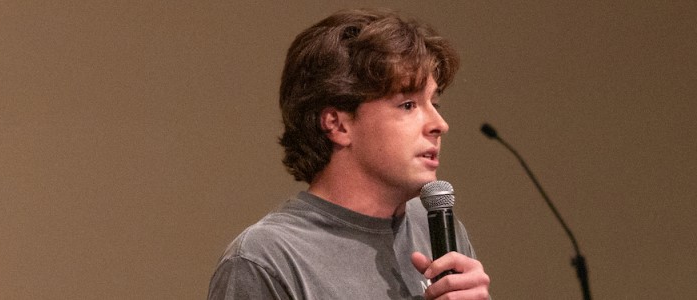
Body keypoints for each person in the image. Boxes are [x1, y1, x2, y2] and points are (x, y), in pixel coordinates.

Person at [208, 8, 492, 300]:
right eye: (408, 105)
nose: (439, 125)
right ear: (337, 124)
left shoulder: (436, 231)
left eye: (435, 104)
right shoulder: (266, 261)